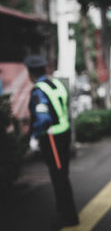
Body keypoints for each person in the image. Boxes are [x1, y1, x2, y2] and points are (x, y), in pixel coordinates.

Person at [24, 55, 79, 229]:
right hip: (65, 133)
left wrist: (34, 136)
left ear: (31, 73)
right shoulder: (56, 84)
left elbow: (43, 118)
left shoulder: (39, 90)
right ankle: (65, 212)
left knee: (58, 177)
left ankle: (68, 216)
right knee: (62, 175)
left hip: (51, 137)